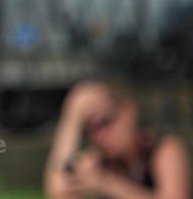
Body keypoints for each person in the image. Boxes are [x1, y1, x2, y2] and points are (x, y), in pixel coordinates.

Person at [44, 80, 190, 199]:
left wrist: (106, 183)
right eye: (92, 129)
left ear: (129, 111)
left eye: (106, 122)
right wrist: (73, 116)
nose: (100, 136)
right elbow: (58, 190)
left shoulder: (163, 149)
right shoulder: (101, 160)